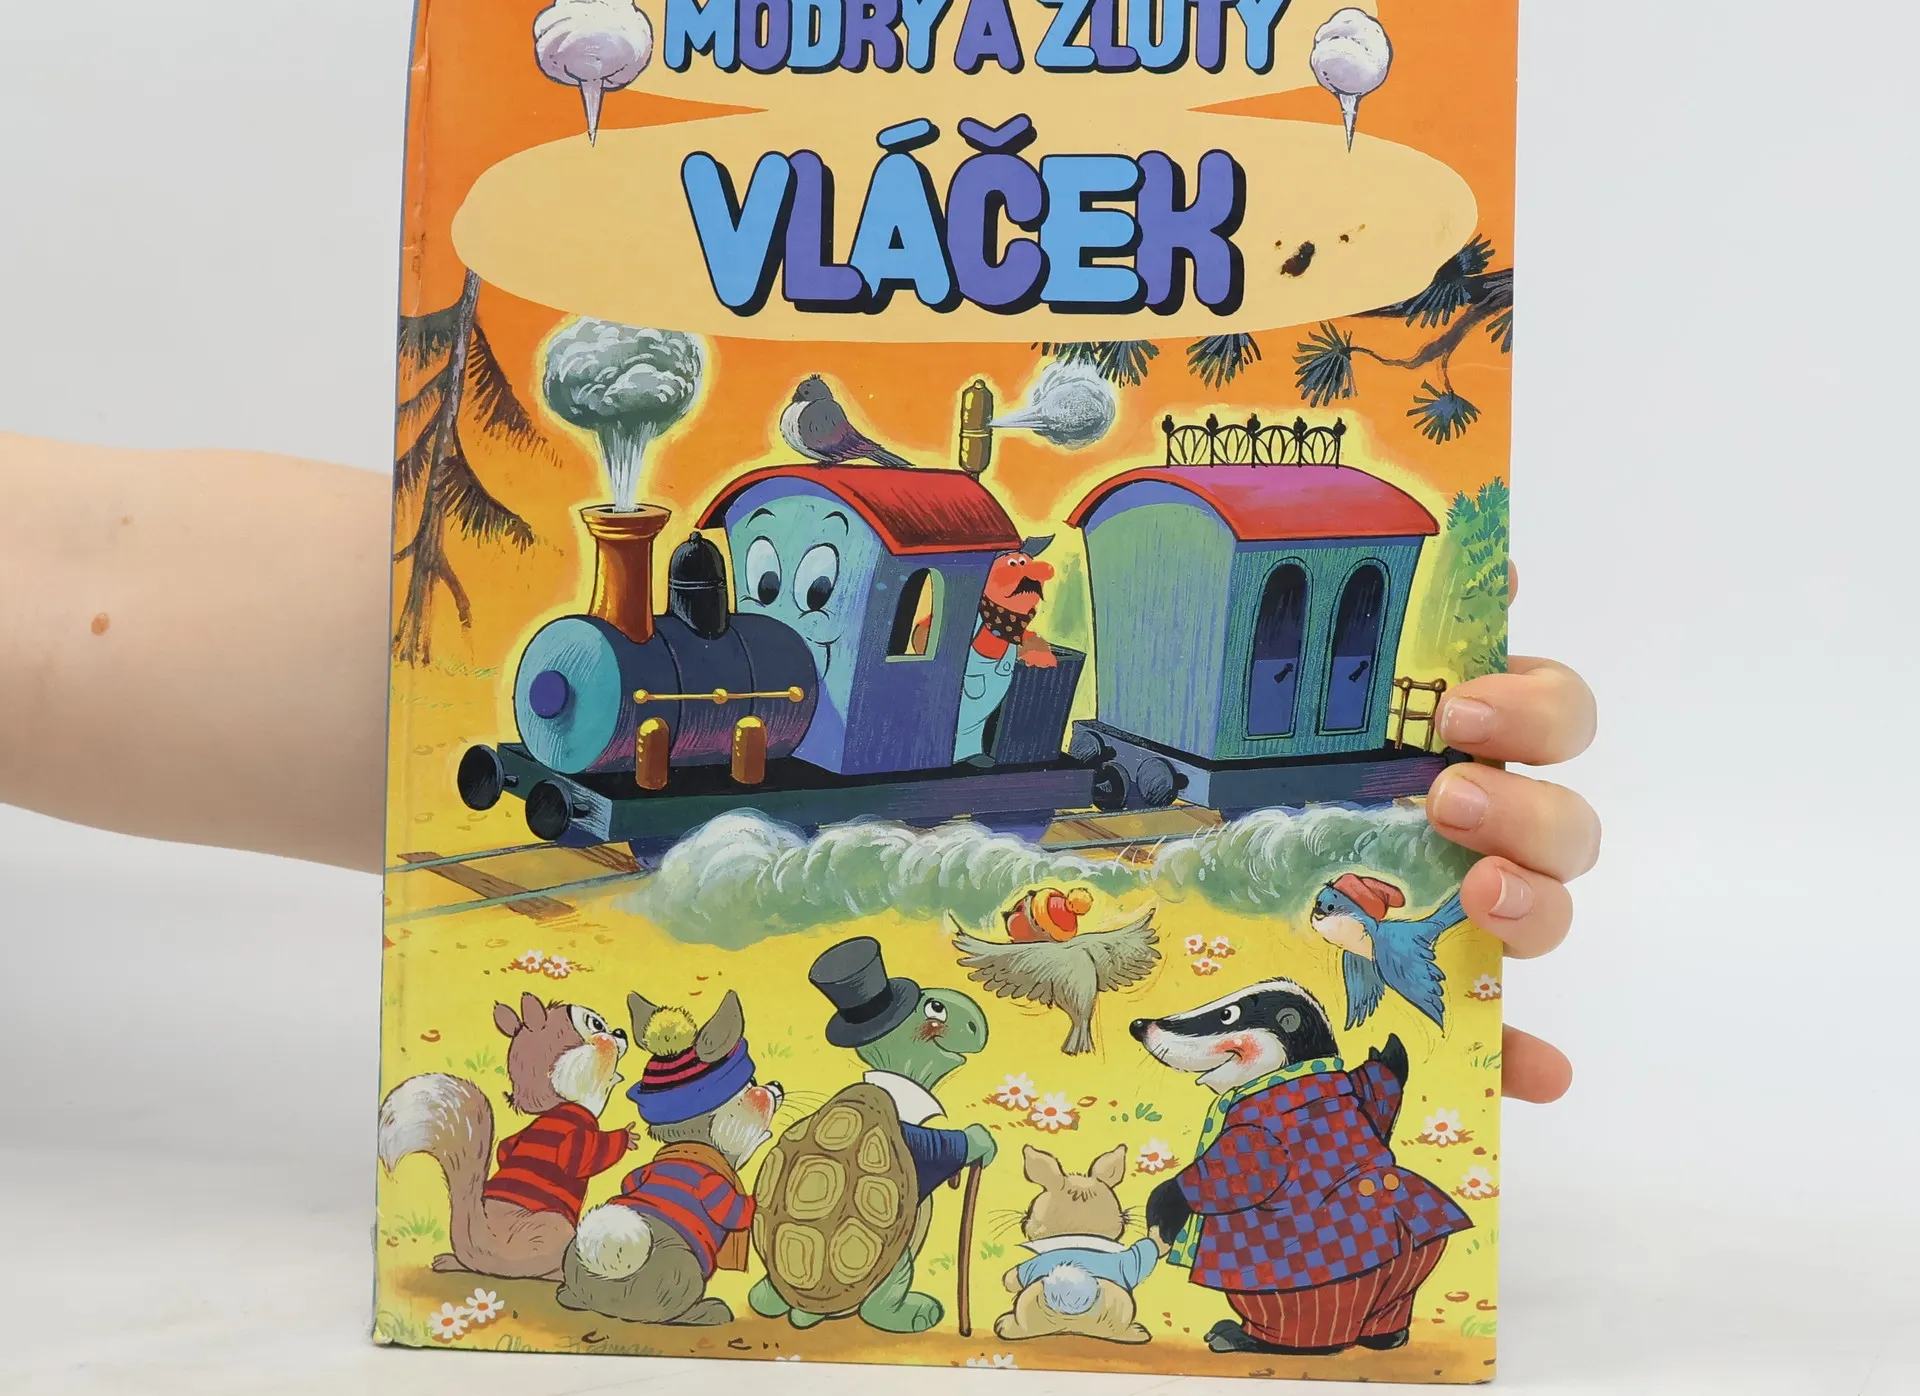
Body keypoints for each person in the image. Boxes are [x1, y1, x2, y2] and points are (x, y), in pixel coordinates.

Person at [0, 430, 1598, 1103]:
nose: (781, 604)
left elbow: (75, 575)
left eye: (817, 585)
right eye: (767, 577)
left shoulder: (1006, 659)